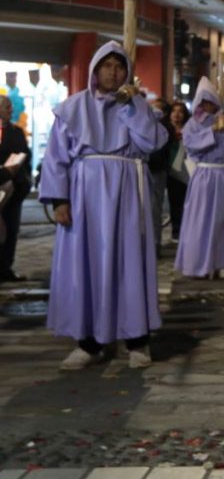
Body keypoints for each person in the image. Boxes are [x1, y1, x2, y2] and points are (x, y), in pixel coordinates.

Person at [39, 42, 167, 370]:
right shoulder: (72, 108)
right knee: (88, 265)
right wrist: (60, 200)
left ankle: (137, 339)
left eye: (119, 65)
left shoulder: (138, 106)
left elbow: (152, 143)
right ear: (95, 69)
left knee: (129, 263)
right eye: (107, 65)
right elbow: (55, 158)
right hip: (85, 196)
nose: (113, 72)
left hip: (127, 195)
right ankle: (89, 342)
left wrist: (132, 106)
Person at [174, 77, 224, 279]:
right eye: (203, 102)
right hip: (205, 175)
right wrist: (212, 131)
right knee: (201, 221)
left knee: (221, 221)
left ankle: (217, 262)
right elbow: (192, 145)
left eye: (211, 101)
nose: (208, 106)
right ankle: (197, 263)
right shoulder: (193, 124)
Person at [0, 94, 31, 282]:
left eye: (10, 107)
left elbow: (25, 156)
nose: (10, 110)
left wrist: (23, 180)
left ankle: (5, 268)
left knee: (11, 231)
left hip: (14, 190)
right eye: (6, 107)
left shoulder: (17, 132)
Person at [147, 97, 172, 248]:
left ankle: (155, 241)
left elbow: (159, 150)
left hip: (156, 171)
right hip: (147, 169)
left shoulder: (163, 128)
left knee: (155, 208)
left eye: (157, 108)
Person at [166, 101, 190, 242]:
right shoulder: (165, 130)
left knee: (185, 202)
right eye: (174, 111)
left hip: (187, 171)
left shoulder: (190, 130)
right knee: (174, 202)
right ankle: (176, 231)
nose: (177, 114)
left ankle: (184, 230)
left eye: (180, 111)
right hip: (170, 171)